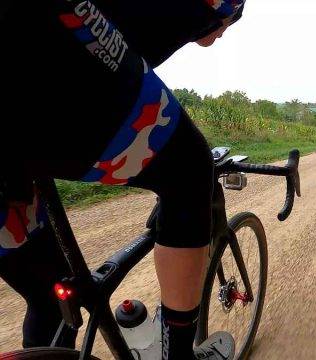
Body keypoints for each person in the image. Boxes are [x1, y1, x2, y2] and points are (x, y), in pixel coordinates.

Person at [0, 0, 245, 358]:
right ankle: (180, 355)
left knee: (49, 297)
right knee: (189, 169)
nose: (223, 34)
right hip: (41, 41)